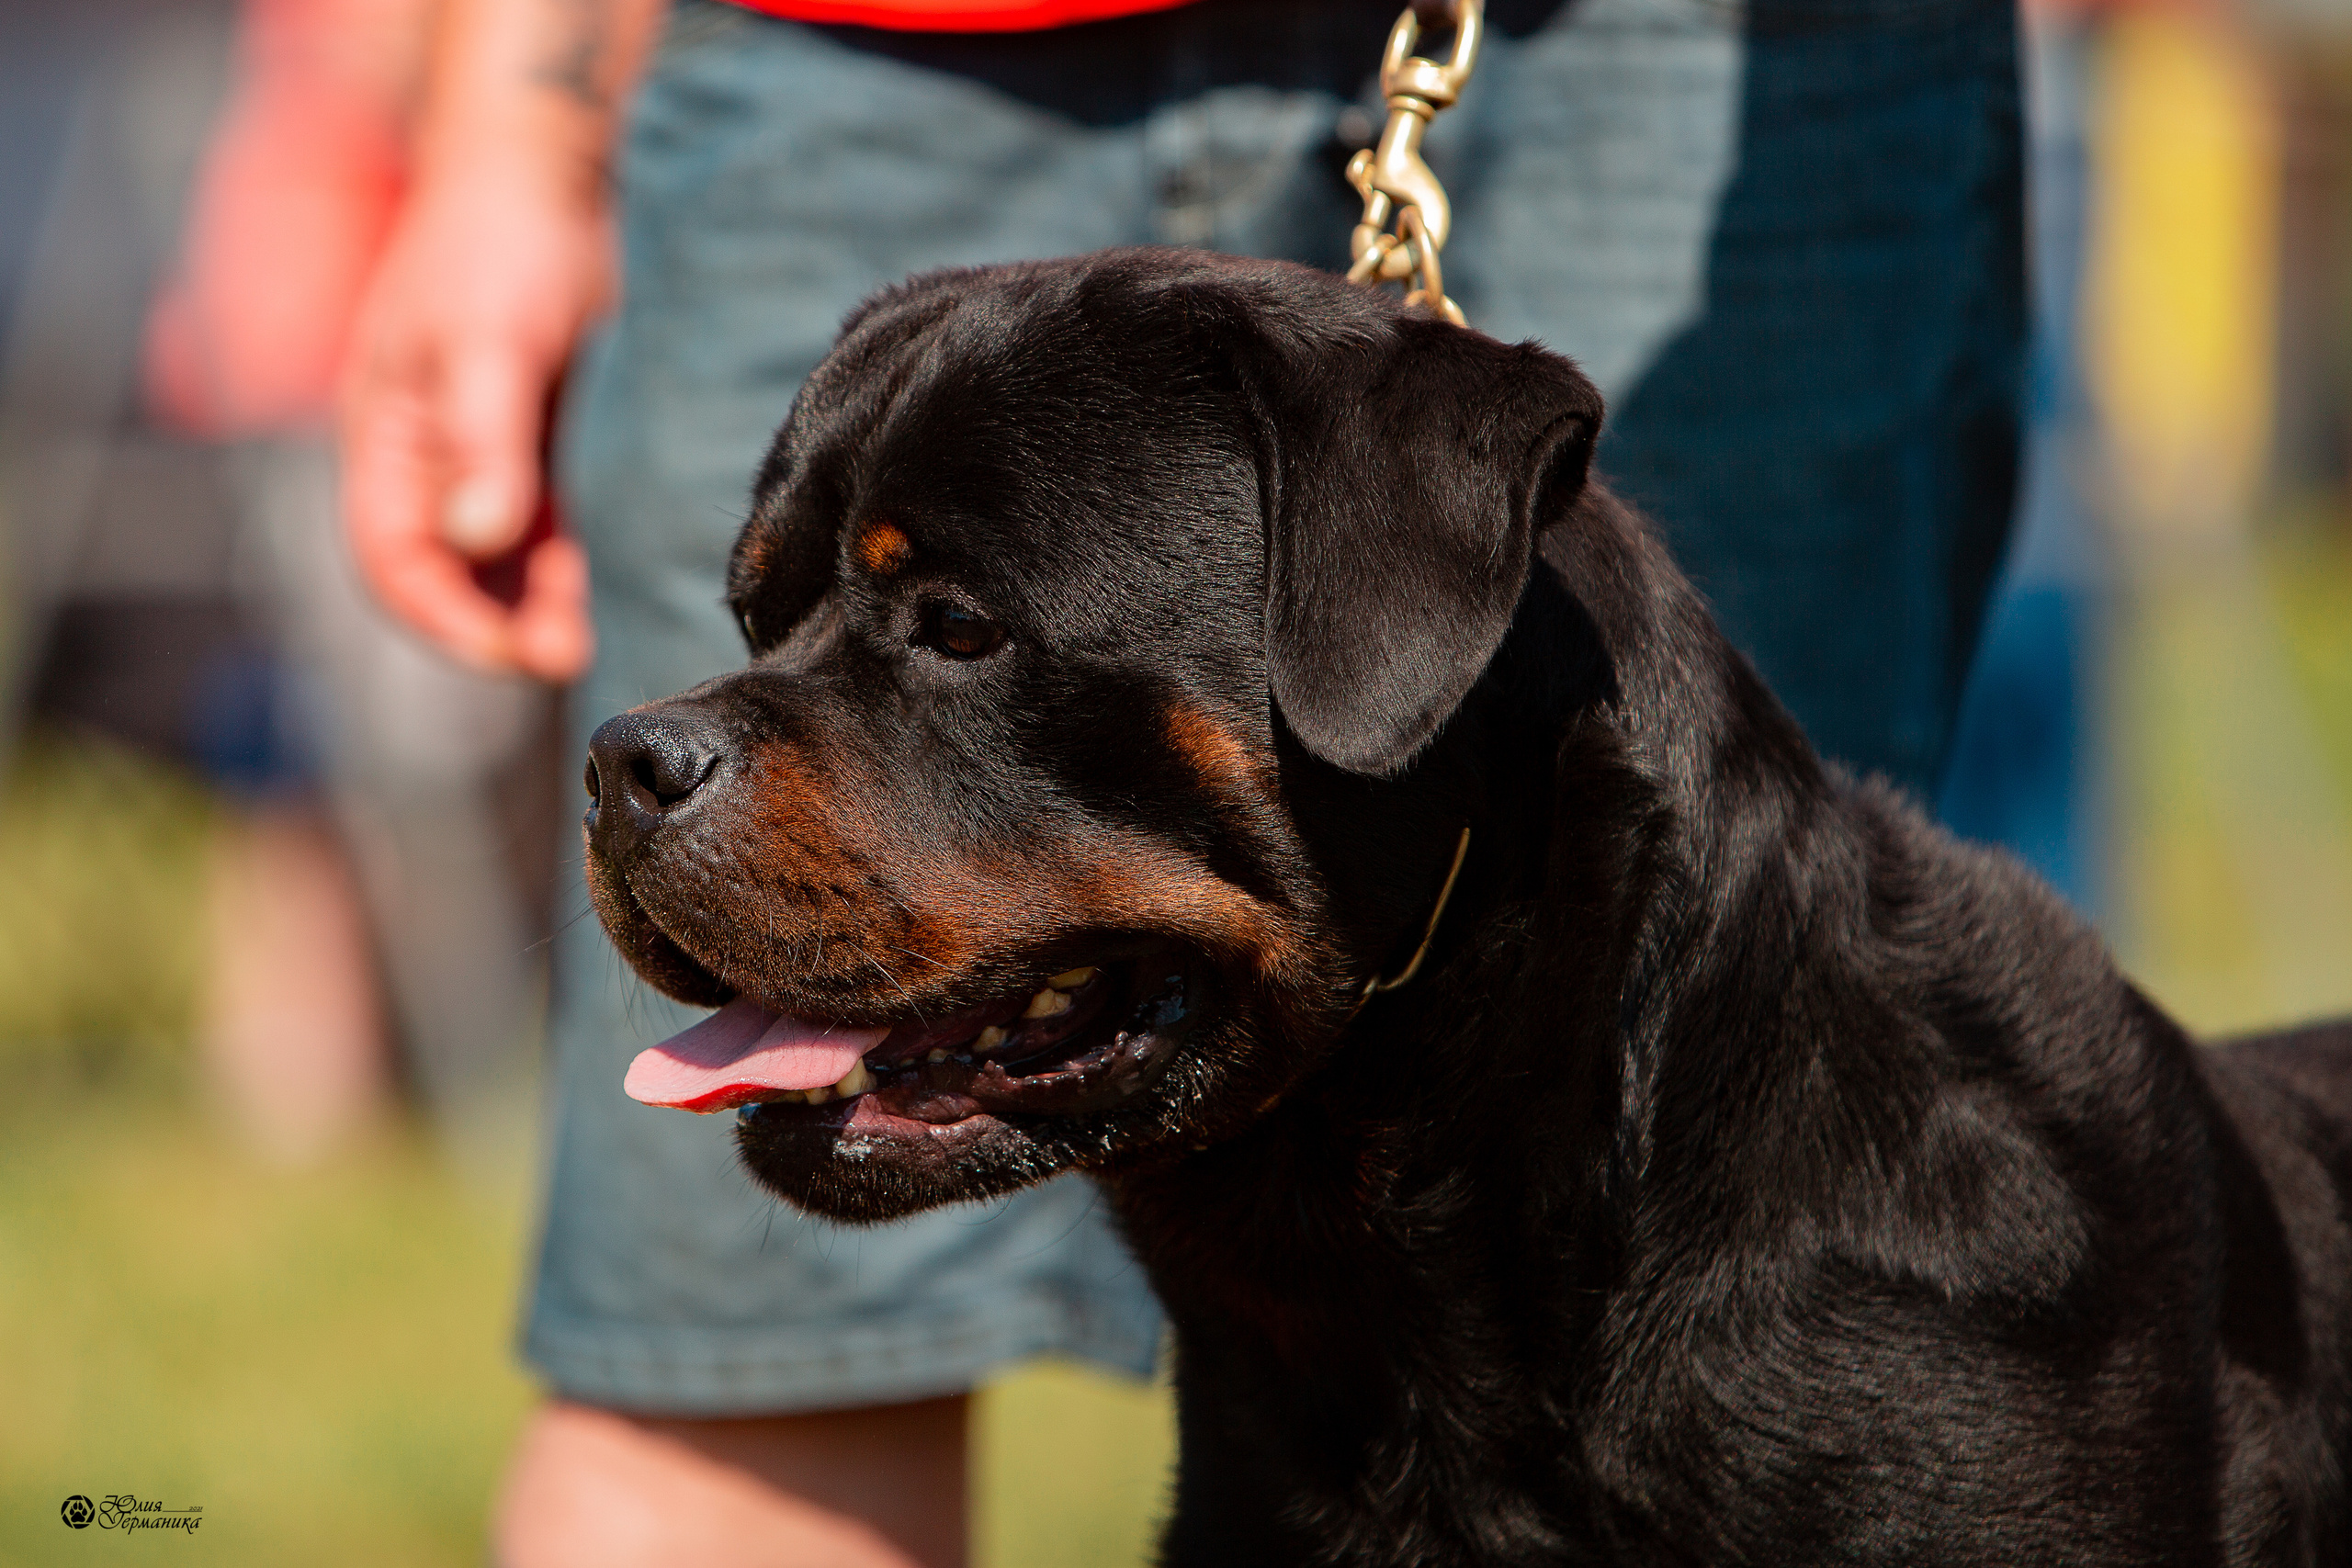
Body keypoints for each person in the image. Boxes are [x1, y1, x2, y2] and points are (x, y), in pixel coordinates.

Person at [340, 0, 2024, 1562]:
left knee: (1754, 1234)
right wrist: (516, 138)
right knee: (727, 1384)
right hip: (867, 45)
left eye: (944, 634)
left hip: (1692, 53)